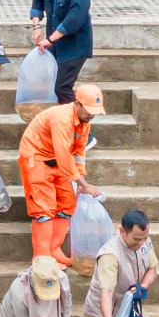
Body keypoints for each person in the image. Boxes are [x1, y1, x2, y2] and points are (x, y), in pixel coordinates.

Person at [19, 84, 103, 265]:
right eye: (89, 110)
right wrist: (84, 184)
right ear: (77, 104)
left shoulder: (84, 122)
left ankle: (54, 249)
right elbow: (64, 156)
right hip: (37, 157)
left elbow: (79, 152)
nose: (91, 115)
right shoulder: (62, 119)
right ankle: (42, 257)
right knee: (44, 207)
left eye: (94, 112)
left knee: (67, 203)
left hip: (58, 162)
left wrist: (80, 178)